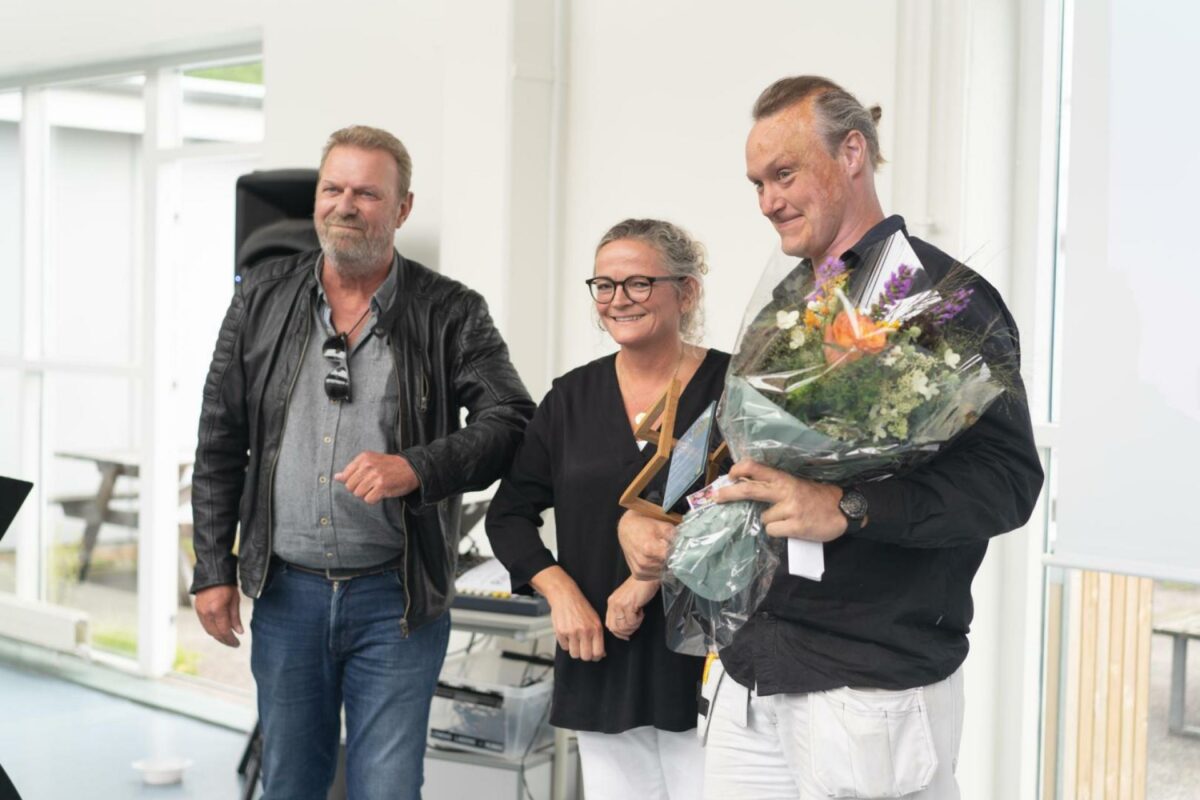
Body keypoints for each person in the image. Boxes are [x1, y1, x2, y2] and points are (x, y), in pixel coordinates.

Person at [618, 77, 1045, 799]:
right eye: (757, 183)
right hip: (750, 676)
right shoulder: (783, 308)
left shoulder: (941, 303)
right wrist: (659, 521)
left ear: (853, 153)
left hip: (866, 691)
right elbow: (746, 461)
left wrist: (848, 506)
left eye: (783, 175)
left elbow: (1008, 483)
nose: (767, 202)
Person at [190, 124, 534, 800]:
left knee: (387, 787)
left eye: (367, 193)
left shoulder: (452, 312)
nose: (345, 205)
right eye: (332, 189)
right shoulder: (260, 299)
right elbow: (220, 438)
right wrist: (211, 567)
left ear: (402, 209)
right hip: (286, 593)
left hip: (395, 601)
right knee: (290, 782)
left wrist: (418, 467)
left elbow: (511, 421)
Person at [486, 219, 729, 800]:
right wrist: (562, 595)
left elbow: (743, 513)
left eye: (639, 283)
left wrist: (648, 580)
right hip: (599, 655)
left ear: (686, 292)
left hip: (704, 655)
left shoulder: (734, 387)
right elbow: (509, 514)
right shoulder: (570, 398)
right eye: (604, 285)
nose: (618, 299)